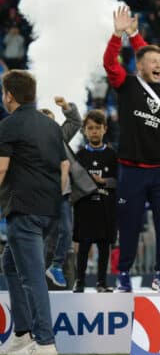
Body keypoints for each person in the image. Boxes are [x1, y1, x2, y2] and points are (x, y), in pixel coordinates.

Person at [103, 6, 160, 293]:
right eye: (153, 61)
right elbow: (110, 64)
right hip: (132, 169)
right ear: (140, 66)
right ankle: (123, 273)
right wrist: (117, 34)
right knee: (130, 224)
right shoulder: (126, 83)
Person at [0, 70, 65, 355]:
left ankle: (44, 340)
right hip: (50, 210)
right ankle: (23, 333)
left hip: (24, 209)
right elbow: (64, 169)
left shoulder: (9, 125)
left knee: (32, 275)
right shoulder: (51, 126)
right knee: (12, 265)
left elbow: (1, 169)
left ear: (9, 96)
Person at [72, 110, 118, 293]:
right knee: (83, 246)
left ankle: (101, 282)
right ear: (84, 131)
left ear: (105, 129)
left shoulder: (112, 155)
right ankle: (80, 281)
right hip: (85, 207)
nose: (94, 131)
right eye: (90, 128)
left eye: (98, 128)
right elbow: (74, 181)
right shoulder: (79, 156)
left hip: (106, 207)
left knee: (104, 246)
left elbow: (118, 180)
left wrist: (104, 181)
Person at [41, 98, 80, 289]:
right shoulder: (29, 144)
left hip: (62, 195)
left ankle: (56, 266)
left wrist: (66, 107)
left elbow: (75, 122)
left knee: (66, 230)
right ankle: (37, 275)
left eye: (52, 122)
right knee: (43, 237)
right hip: (40, 196)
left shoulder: (60, 137)